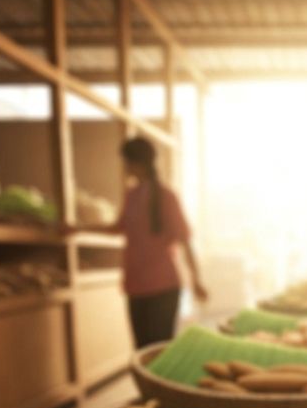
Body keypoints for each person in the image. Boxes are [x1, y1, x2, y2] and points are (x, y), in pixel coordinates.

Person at [73, 136, 207, 347]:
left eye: (126, 162)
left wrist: (196, 279)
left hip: (164, 287)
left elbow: (185, 240)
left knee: (159, 350)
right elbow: (117, 228)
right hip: (136, 286)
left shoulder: (167, 196)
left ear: (137, 163)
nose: (125, 167)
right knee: (142, 350)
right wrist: (78, 228)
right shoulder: (132, 195)